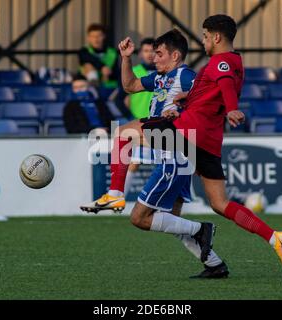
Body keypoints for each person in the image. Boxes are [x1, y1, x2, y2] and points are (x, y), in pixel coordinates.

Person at [81, 30, 229, 278]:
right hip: (172, 153)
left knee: (139, 217)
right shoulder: (159, 78)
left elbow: (212, 101)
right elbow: (129, 86)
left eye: (158, 54)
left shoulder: (186, 76)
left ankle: (116, 194)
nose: (153, 58)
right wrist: (126, 58)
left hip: (176, 150)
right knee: (171, 222)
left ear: (175, 55)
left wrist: (182, 112)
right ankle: (215, 265)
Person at [125, 38, 157, 196]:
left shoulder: (165, 71)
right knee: (135, 161)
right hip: (141, 123)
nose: (150, 54)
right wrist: (130, 117)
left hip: (161, 123)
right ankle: (118, 198)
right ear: (140, 53)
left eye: (153, 50)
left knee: (165, 163)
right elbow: (119, 99)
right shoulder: (134, 71)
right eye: (146, 51)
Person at [79, 24, 119, 89]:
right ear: (88, 38)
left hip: (108, 85)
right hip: (87, 86)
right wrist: (102, 67)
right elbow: (89, 59)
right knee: (88, 65)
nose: (96, 39)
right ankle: (94, 87)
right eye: (92, 36)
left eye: (99, 36)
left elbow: (116, 72)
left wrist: (108, 73)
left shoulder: (112, 52)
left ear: (104, 36)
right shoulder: (84, 51)